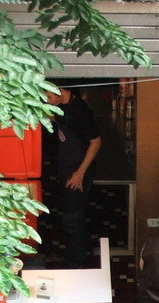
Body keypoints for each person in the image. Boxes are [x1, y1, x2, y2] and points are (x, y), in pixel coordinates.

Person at [46, 82, 102, 268]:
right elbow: (58, 119)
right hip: (66, 167)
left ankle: (77, 263)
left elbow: (95, 142)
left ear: (60, 90)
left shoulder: (80, 110)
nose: (47, 101)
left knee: (72, 218)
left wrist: (79, 173)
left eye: (49, 97)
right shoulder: (62, 105)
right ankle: (72, 257)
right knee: (69, 216)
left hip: (78, 171)